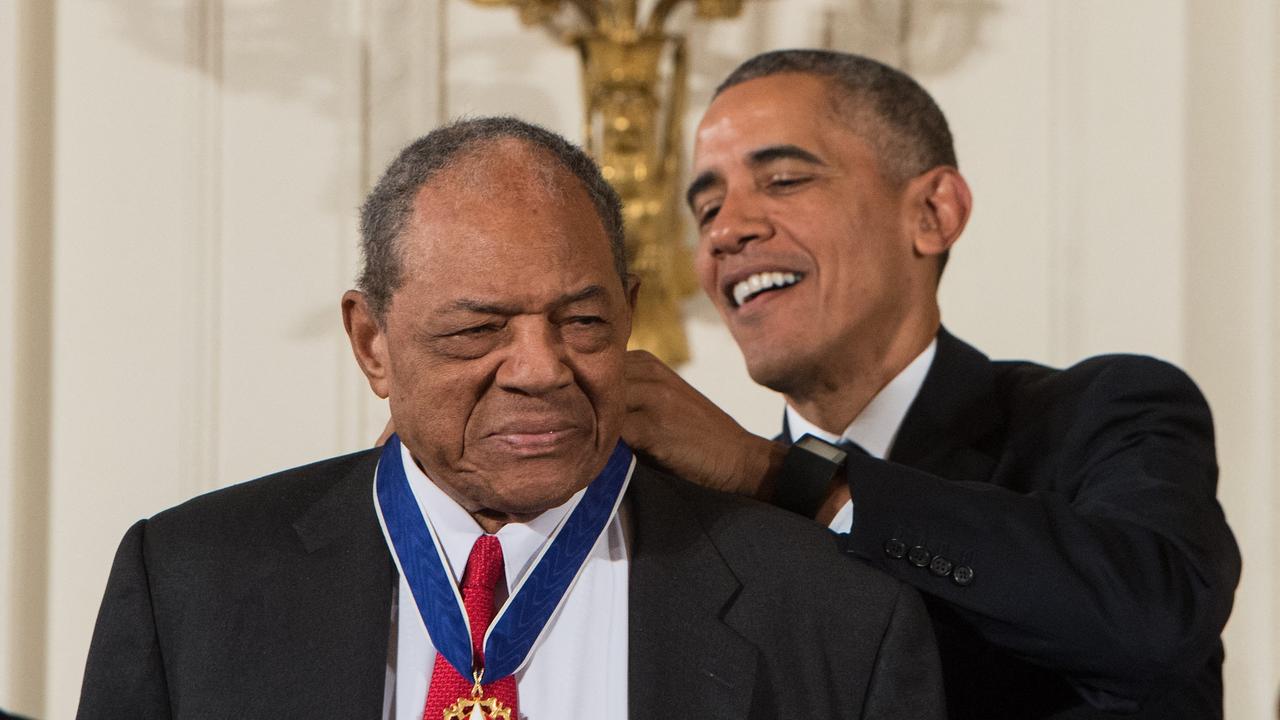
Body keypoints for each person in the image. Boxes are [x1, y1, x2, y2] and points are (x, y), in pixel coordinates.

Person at [76, 117, 945, 719]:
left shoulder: (834, 613)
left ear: (630, 315)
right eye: (476, 330)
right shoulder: (189, 582)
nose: (541, 370)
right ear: (372, 342)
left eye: (583, 322)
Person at [622, 50, 1241, 720]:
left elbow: (1152, 621)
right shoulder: (696, 521)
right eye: (708, 206)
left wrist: (786, 477)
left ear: (933, 213)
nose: (726, 231)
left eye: (784, 180)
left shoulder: (1107, 412)